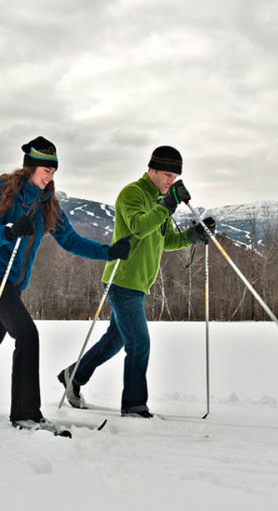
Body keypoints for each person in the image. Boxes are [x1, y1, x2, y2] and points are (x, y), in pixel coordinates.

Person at [0, 136, 131, 433]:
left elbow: (72, 241)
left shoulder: (47, 204)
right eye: (46, 170)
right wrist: (9, 230)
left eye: (54, 172)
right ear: (30, 168)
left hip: (14, 284)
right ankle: (26, 414)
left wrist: (108, 251)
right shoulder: (7, 193)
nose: (50, 176)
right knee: (27, 335)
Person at [58, 145, 215, 418]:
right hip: (122, 280)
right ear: (151, 169)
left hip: (139, 283)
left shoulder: (160, 198)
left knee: (115, 341)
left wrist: (193, 235)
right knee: (139, 343)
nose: (171, 180)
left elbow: (162, 240)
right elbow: (139, 227)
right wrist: (167, 205)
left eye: (175, 176)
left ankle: (73, 375)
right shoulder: (132, 193)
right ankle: (133, 404)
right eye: (167, 174)